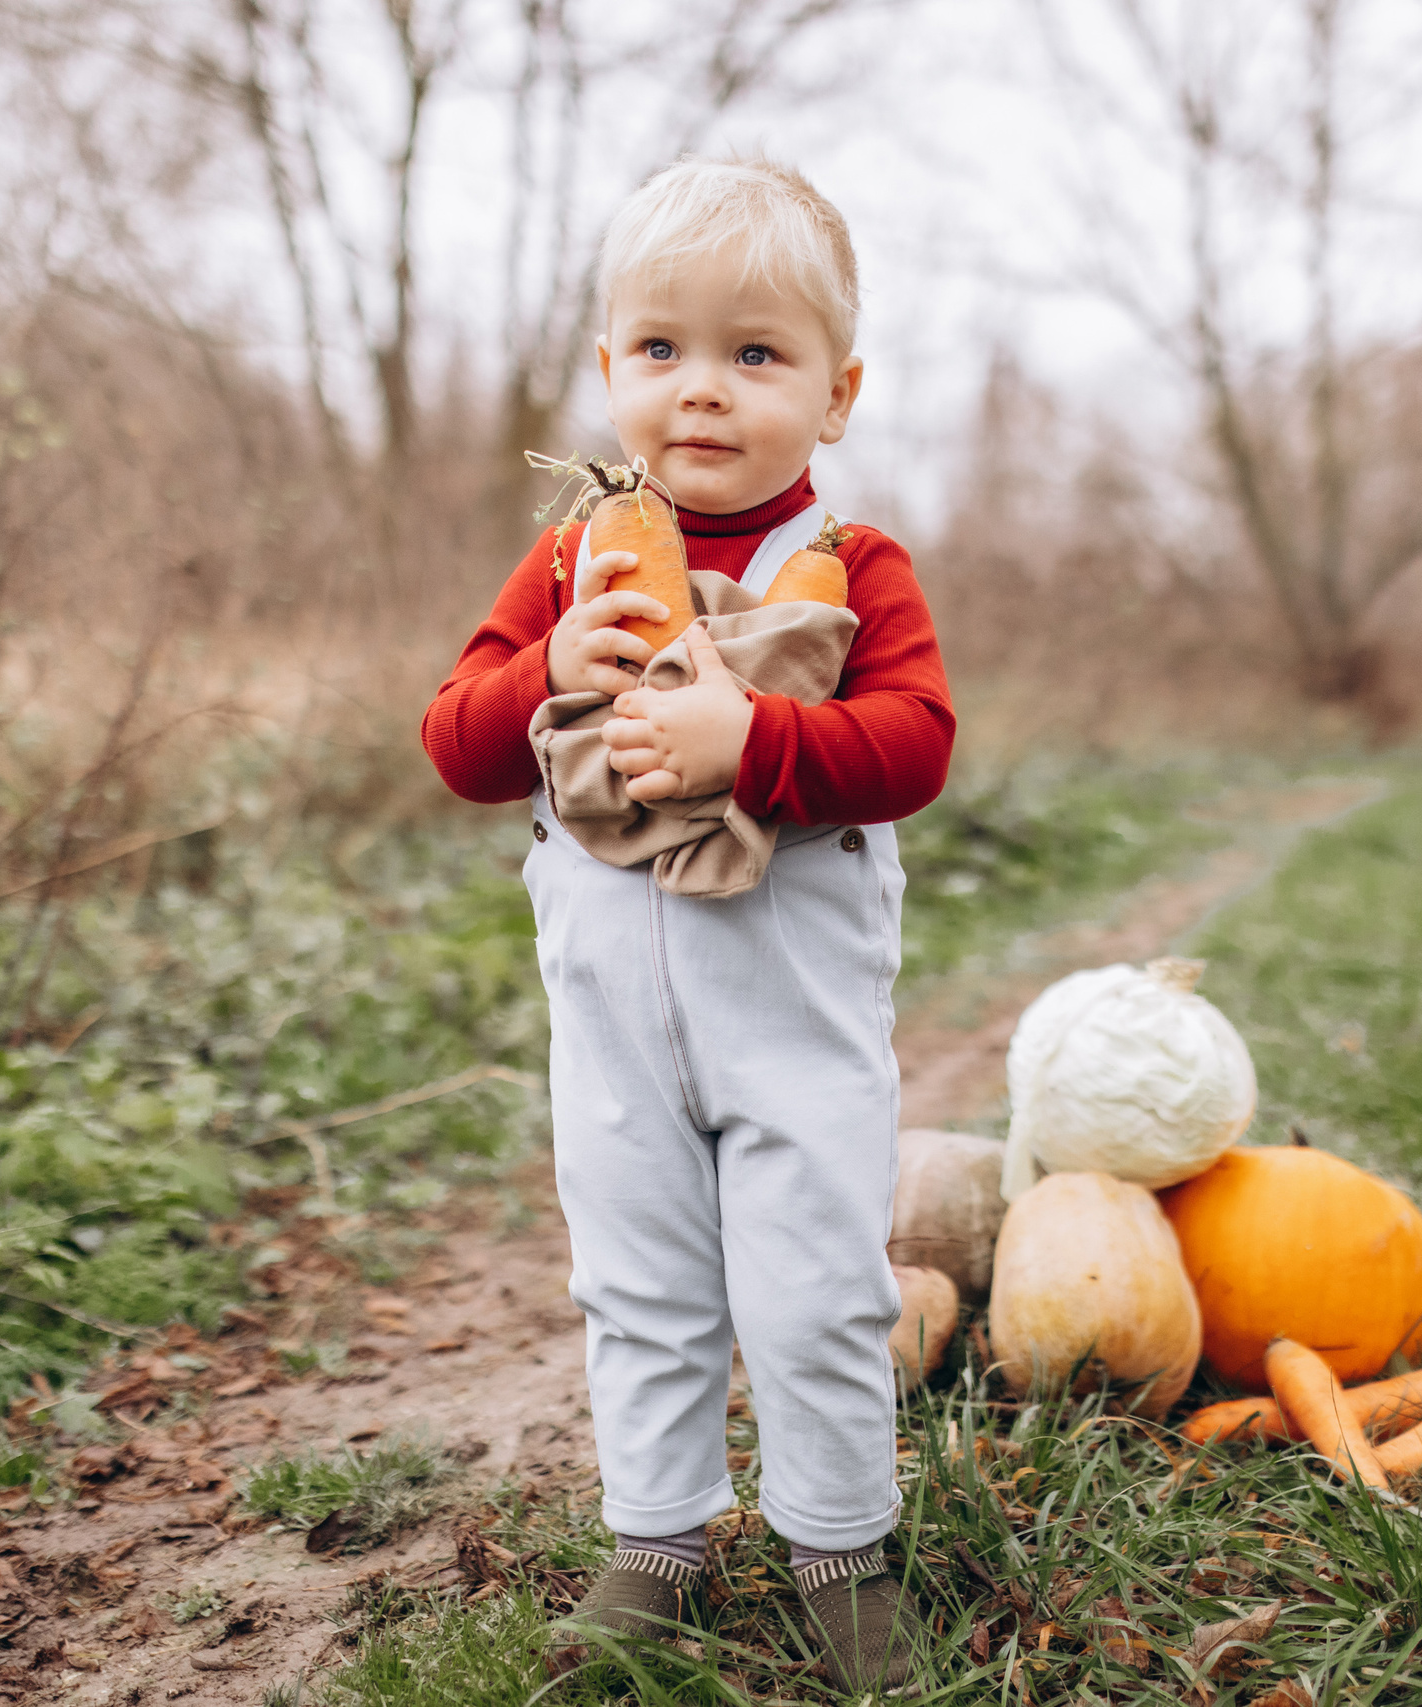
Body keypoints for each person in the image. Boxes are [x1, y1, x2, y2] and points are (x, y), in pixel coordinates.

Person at [421, 156, 954, 1692]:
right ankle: (657, 1540)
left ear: (837, 395)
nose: (702, 392)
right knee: (637, 1280)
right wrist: (545, 673)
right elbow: (457, 746)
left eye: (756, 355)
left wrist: (754, 748)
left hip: (789, 1016)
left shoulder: (850, 571)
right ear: (608, 372)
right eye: (662, 351)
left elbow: (915, 745)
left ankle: (841, 1550)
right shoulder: (575, 563)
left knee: (814, 1289)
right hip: (613, 1025)